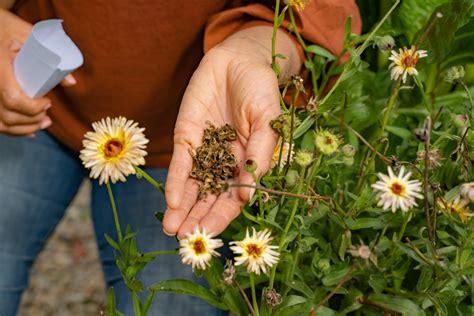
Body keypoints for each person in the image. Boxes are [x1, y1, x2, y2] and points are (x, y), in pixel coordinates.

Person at [0, 0, 360, 314]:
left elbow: (315, 15)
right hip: (33, 92)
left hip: (187, 136)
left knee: (169, 300)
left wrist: (252, 52)